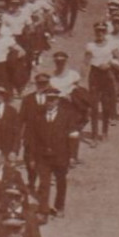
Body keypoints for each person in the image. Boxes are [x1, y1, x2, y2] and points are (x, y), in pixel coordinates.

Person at [25, 87, 76, 217]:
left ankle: (59, 206)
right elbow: (32, 138)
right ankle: (43, 210)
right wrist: (31, 157)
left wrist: (72, 156)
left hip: (61, 156)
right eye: (48, 100)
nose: (50, 103)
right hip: (43, 156)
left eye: (53, 100)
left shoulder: (67, 115)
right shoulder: (38, 115)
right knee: (44, 184)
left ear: (58, 101)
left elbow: (73, 136)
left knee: (61, 182)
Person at [83, 21, 119, 140]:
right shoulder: (90, 45)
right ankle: (94, 135)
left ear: (106, 32)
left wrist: (110, 64)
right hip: (94, 75)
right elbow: (85, 62)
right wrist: (81, 77)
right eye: (97, 30)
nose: (100, 33)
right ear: (94, 32)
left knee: (106, 105)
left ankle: (104, 132)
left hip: (107, 75)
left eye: (102, 30)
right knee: (94, 107)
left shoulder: (111, 45)